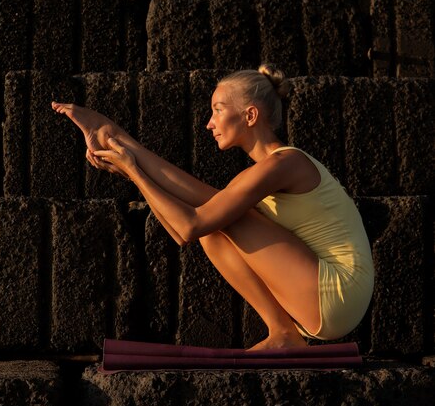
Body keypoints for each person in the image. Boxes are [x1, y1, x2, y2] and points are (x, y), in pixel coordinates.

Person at [51, 64, 374, 350]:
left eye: (218, 110)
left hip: (336, 291)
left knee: (216, 219)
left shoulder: (285, 163)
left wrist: (134, 171)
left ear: (250, 115)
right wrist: (117, 139)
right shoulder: (264, 171)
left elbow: (191, 224)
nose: (209, 123)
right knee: (215, 227)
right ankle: (283, 332)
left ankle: (283, 333)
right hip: (322, 298)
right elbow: (184, 227)